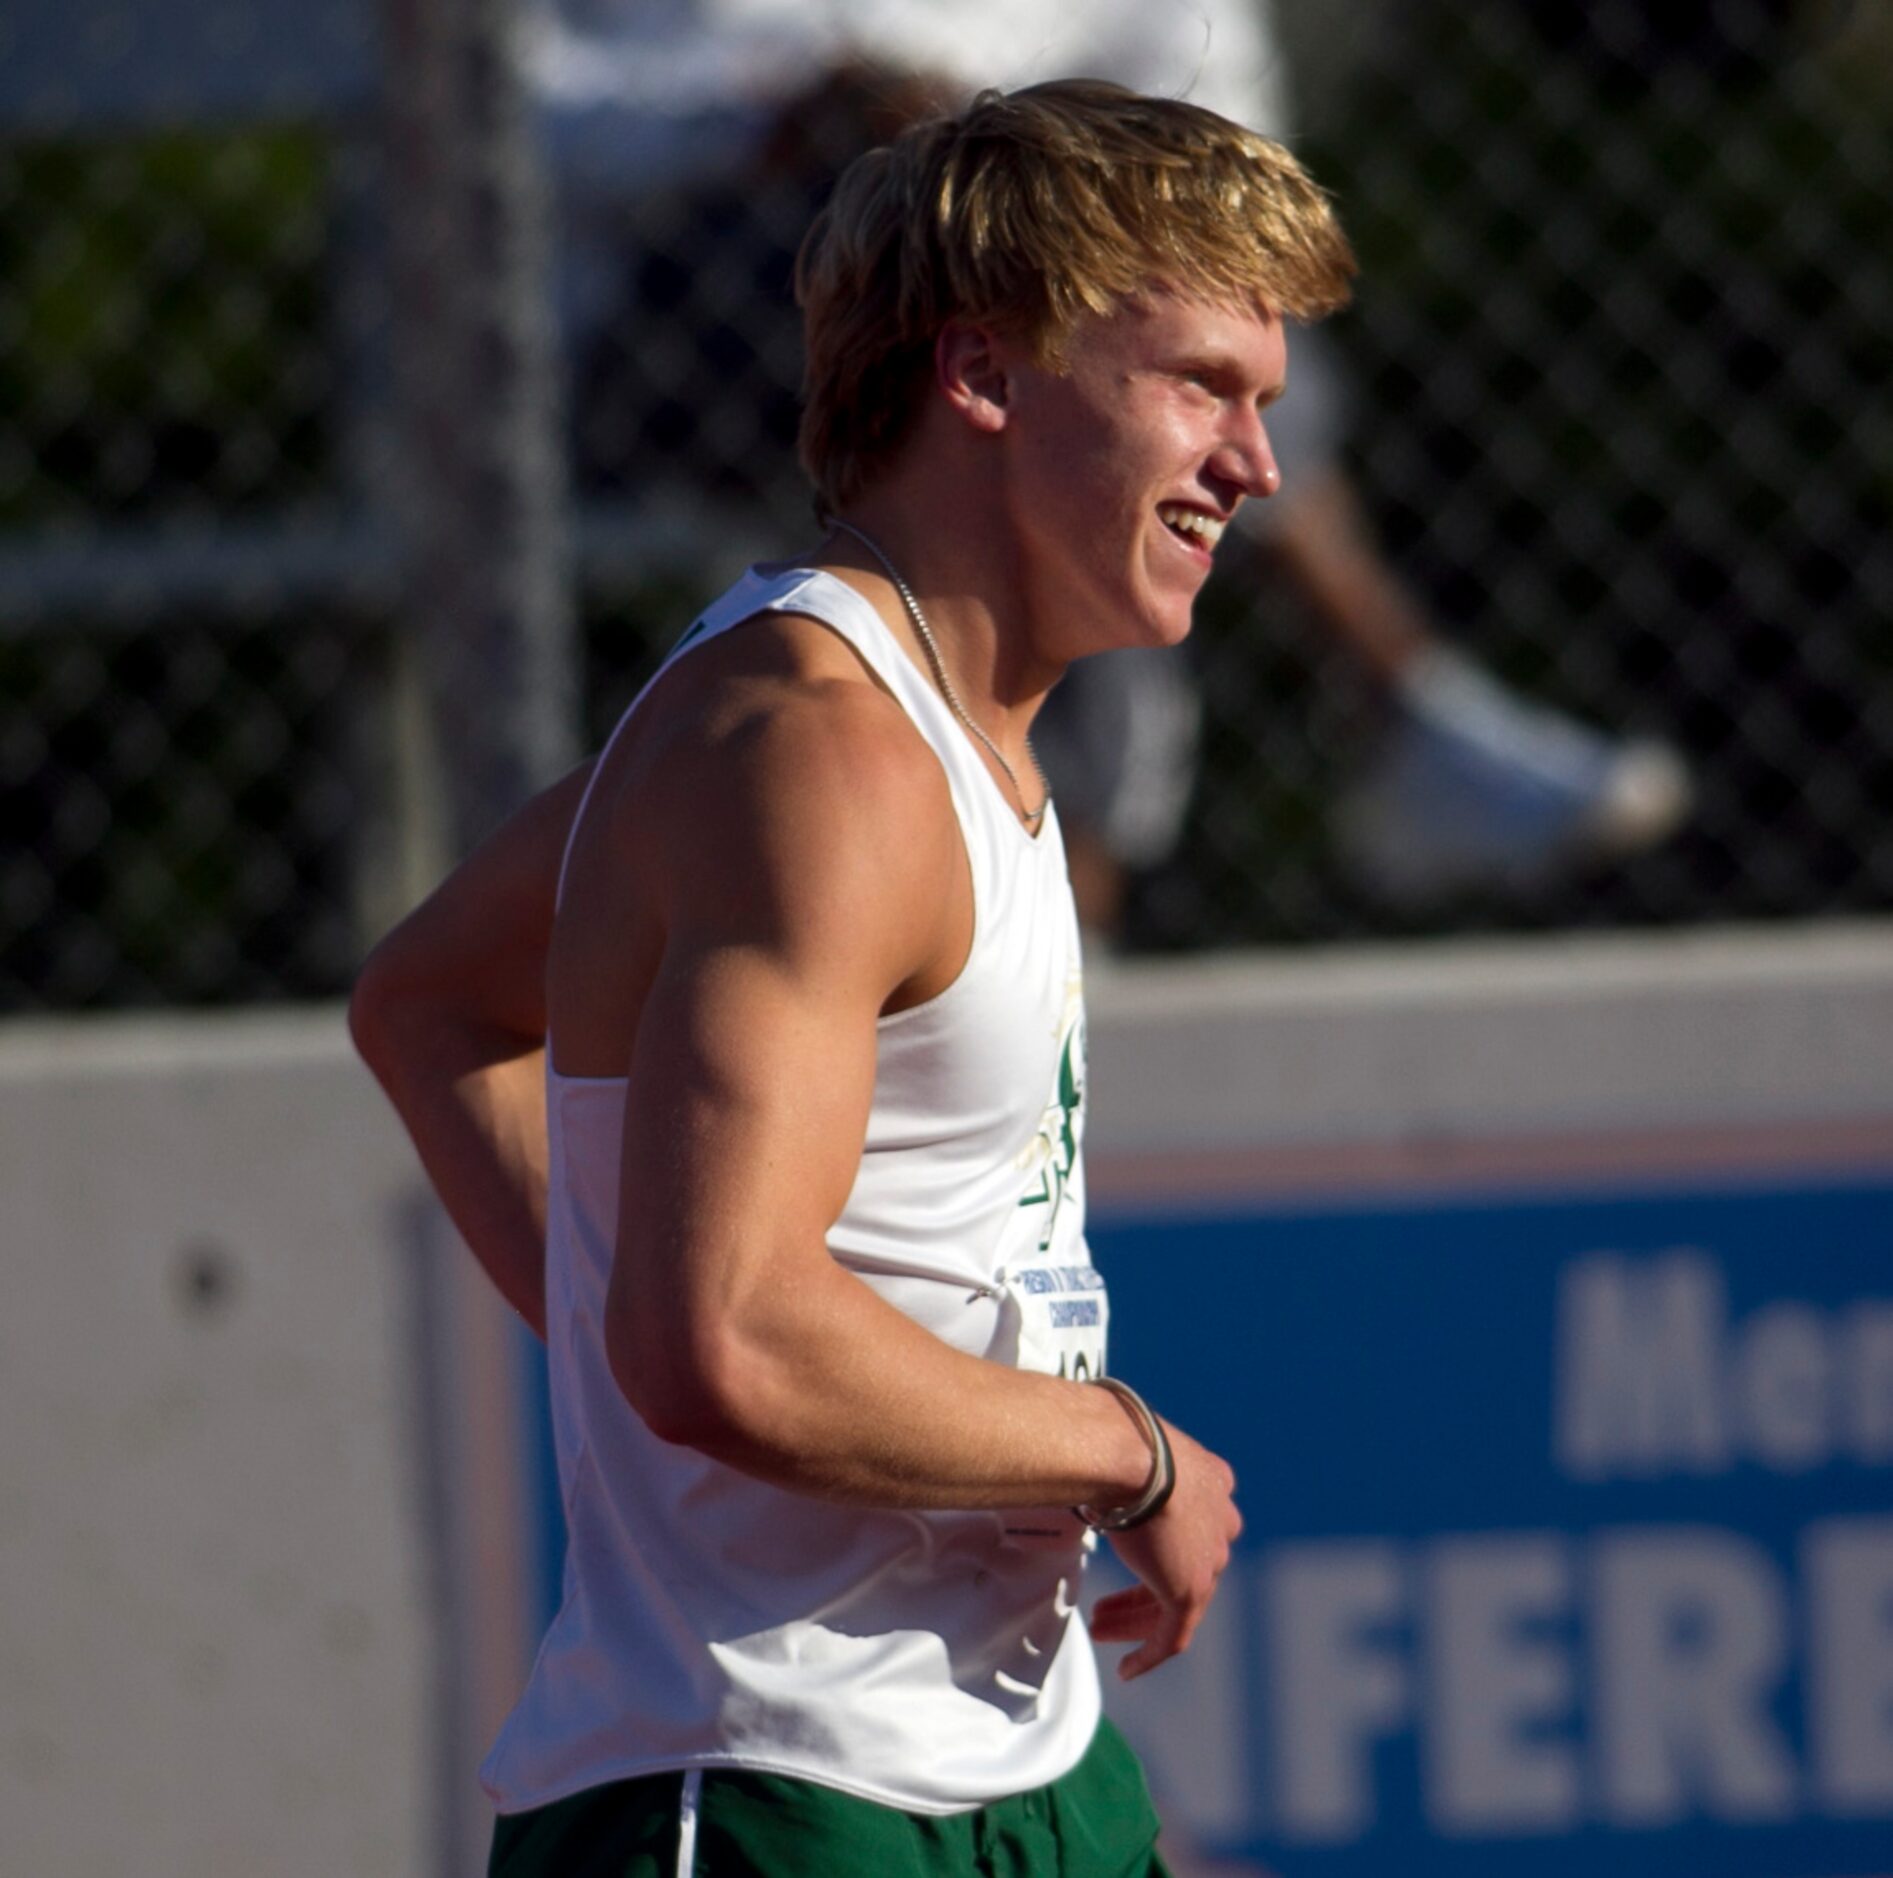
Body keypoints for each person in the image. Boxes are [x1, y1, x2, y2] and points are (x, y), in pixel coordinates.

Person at [352, 80, 1352, 1875]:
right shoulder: (812, 746)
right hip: (766, 1787)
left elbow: (425, 1000)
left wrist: (626, 1342)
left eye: (1263, 402)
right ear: (981, 373)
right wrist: (1121, 1452)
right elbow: (718, 1330)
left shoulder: (925, 729)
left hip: (1013, 1772)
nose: (1252, 464)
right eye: (1197, 384)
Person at [536, 0, 1690, 933]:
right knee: (1070, 405)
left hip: (1001, 249)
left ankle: (1055, 944)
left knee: (1162, 346)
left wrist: (1016, 146)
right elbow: (473, 98)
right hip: (676, 295)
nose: (1256, 469)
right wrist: (756, 122)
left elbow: (1200, 78)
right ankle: (1383, 717)